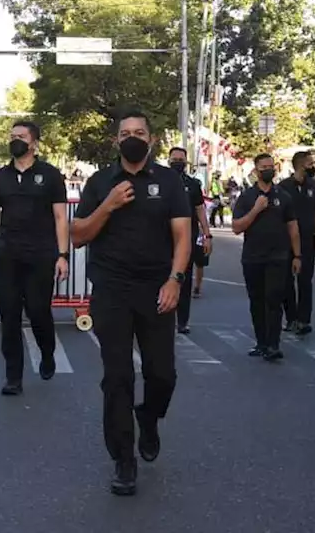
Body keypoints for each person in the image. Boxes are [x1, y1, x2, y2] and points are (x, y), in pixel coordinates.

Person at [71, 110, 191, 496]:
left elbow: (183, 237)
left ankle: (150, 417)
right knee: (118, 377)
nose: (132, 138)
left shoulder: (170, 182)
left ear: (151, 139)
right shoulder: (100, 182)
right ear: (116, 141)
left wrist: (175, 279)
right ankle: (124, 459)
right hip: (111, 290)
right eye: (125, 133)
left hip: (157, 288)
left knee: (162, 374)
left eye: (139, 132)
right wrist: (107, 205)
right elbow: (76, 236)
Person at [0, 122, 70, 395]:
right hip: (8, 256)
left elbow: (60, 217)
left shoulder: (51, 175)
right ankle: (13, 377)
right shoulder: (0, 178)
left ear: (34, 143)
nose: (15, 141)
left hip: (41, 255)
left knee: (38, 311)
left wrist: (63, 255)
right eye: (12, 137)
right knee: (9, 316)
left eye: (21, 137)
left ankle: (47, 352)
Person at [232, 154, 301, 361]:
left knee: (274, 299)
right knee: (257, 301)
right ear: (256, 170)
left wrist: (297, 255)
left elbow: (293, 228)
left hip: (278, 257)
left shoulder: (284, 196)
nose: (268, 170)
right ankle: (261, 342)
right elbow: (237, 227)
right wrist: (256, 209)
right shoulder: (247, 197)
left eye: (271, 166)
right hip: (253, 257)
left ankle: (273, 344)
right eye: (264, 167)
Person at [280, 151, 315, 335]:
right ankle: (291, 318)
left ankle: (304, 320)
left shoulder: (313, 187)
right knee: (286, 281)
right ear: (300, 165)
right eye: (310, 163)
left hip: (307, 240)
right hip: (286, 240)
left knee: (305, 281)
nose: (313, 166)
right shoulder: (284, 187)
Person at [166, 147, 212, 334]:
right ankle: (161, 318)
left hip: (186, 239)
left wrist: (207, 234)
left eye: (181, 159)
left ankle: (182, 321)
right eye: (174, 159)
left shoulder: (192, 184)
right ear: (169, 160)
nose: (178, 162)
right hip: (162, 239)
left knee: (183, 280)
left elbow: (200, 209)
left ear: (186, 162)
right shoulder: (160, 180)